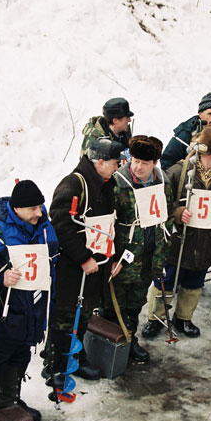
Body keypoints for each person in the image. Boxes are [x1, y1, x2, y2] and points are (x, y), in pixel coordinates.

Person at [0, 180, 58, 421]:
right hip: (6, 314)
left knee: (21, 356)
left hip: (33, 309)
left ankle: (9, 401)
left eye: (40, 207)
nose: (39, 213)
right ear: (16, 209)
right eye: (32, 209)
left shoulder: (44, 228)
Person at [147, 126, 211, 338]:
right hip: (176, 244)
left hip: (205, 244)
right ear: (208, 153)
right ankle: (156, 318)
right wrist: (177, 213)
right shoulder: (178, 173)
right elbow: (159, 204)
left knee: (194, 283)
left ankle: (183, 318)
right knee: (166, 282)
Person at [45, 138, 122, 388]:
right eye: (115, 162)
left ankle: (74, 356)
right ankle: (56, 364)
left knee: (85, 312)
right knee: (67, 316)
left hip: (98, 264)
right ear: (100, 162)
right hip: (74, 269)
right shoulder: (73, 185)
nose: (118, 167)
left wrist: (112, 256)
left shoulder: (107, 184)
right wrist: (83, 257)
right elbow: (61, 225)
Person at [103, 136, 174, 359]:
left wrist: (162, 252)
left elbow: (168, 217)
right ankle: (109, 343)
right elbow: (106, 224)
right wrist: (112, 257)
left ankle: (129, 339)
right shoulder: (117, 184)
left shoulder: (163, 183)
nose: (138, 167)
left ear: (155, 163)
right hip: (124, 257)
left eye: (145, 163)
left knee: (136, 302)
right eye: (134, 160)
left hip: (149, 256)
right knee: (114, 304)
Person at [160, 92, 211, 171]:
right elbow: (167, 160)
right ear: (200, 114)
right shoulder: (186, 133)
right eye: (210, 114)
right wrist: (180, 175)